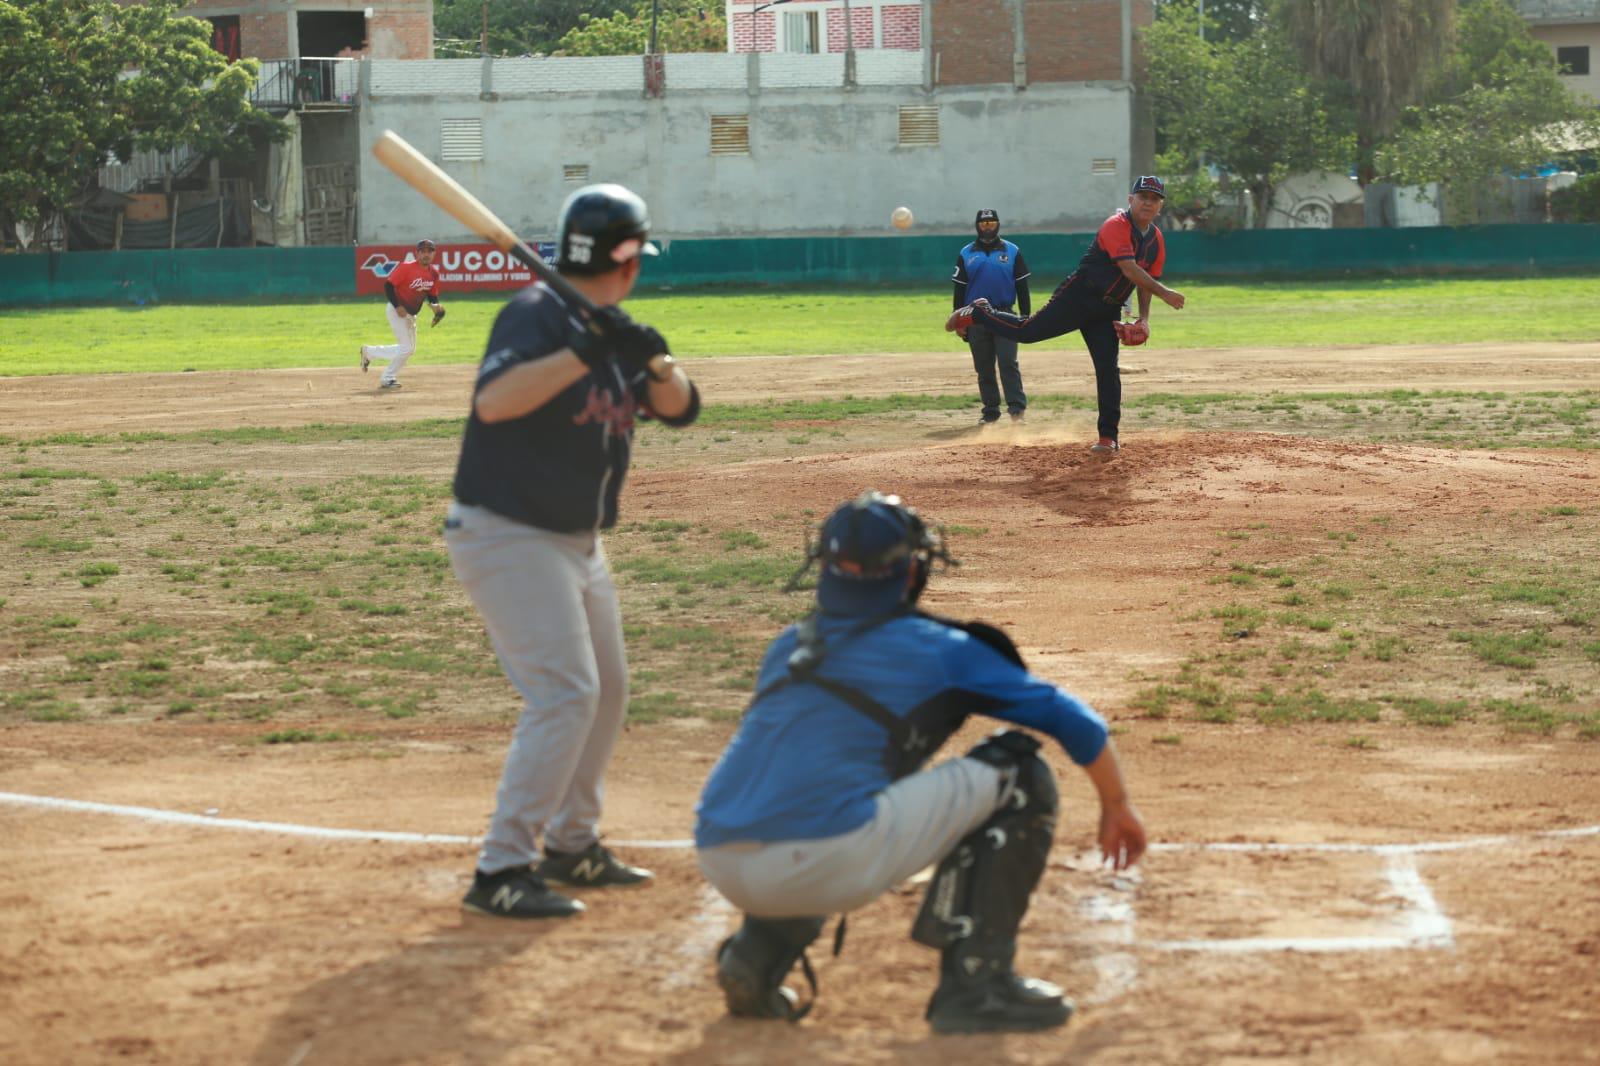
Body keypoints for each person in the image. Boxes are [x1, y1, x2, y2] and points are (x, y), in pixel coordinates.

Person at [694, 491, 1147, 1033]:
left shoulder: (788, 644)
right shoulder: (941, 647)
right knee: (1019, 772)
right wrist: (1116, 804)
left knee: (812, 790)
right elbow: (1075, 722)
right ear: (910, 571)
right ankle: (978, 985)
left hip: (718, 851)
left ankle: (756, 956)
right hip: (818, 861)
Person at [447, 184, 701, 920]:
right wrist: (582, 349)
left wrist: (656, 363)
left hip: (575, 543)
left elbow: (684, 411)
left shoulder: (610, 324)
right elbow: (494, 401)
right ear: (624, 260)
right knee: (566, 694)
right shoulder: (536, 315)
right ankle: (502, 867)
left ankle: (571, 843)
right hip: (509, 531)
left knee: (606, 690)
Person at [949, 176, 1186, 455]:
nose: (1148, 202)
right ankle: (980, 312)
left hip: (1108, 308)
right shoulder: (1116, 225)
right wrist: (1166, 293)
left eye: (1154, 198)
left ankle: (1108, 437)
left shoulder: (1156, 240)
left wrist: (1144, 319)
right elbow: (1130, 270)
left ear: (1160, 206)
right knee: (1027, 332)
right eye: (1143, 196)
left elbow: (1146, 280)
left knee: (1108, 370)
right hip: (1079, 296)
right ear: (1130, 199)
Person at [951, 209, 1031, 426]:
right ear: (977, 226)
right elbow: (959, 290)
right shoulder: (966, 253)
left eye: (992, 222)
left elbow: (1022, 287)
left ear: (998, 224)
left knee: (1008, 363)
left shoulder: (1012, 251)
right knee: (983, 367)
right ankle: (990, 412)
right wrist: (958, 320)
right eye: (984, 223)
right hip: (975, 317)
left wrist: (1025, 317)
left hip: (1005, 314)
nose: (988, 226)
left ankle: (1017, 411)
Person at [360, 238, 445, 390]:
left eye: (429, 251)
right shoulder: (406, 267)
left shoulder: (434, 273)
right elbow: (388, 286)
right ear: (417, 253)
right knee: (406, 349)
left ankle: (369, 352)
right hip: (396, 311)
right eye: (423, 251)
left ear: (434, 254)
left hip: (411, 314)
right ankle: (387, 378)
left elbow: (432, 295)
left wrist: (437, 311)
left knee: (409, 349)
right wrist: (397, 305)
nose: (426, 255)